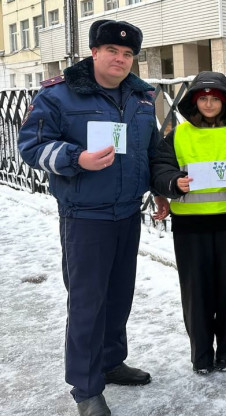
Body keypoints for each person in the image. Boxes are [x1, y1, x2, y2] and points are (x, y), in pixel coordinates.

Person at [17, 20, 167, 416]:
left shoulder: (141, 98)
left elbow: (150, 151)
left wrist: (161, 190)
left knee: (119, 296)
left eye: (128, 54)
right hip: (85, 217)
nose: (120, 59)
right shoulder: (59, 96)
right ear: (94, 52)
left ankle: (111, 361)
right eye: (112, 51)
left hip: (127, 214)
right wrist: (75, 158)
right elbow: (31, 147)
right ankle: (85, 389)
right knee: (88, 303)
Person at [150, 71, 226, 375]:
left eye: (215, 98)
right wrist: (174, 182)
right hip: (190, 227)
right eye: (203, 98)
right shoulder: (179, 134)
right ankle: (201, 356)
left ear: (224, 101)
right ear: (194, 102)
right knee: (196, 293)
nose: (209, 103)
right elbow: (160, 168)